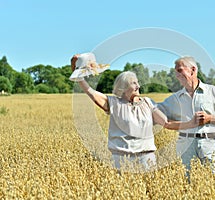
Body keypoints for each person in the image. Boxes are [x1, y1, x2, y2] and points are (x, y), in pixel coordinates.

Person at [70, 54, 203, 172]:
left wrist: (190, 123)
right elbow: (90, 92)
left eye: (137, 82)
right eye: (134, 83)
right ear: (123, 87)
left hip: (146, 158)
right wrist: (77, 72)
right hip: (120, 159)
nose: (138, 86)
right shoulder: (113, 103)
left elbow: (167, 123)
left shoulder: (148, 103)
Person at [158, 56, 215, 174]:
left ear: (192, 70)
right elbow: (156, 111)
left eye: (179, 70)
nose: (176, 75)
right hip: (185, 147)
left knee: (213, 182)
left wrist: (210, 118)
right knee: (189, 183)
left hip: (209, 145)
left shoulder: (213, 92)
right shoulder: (175, 98)